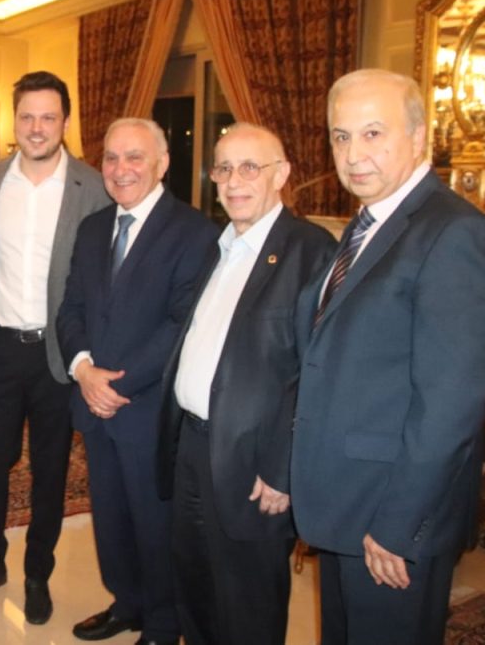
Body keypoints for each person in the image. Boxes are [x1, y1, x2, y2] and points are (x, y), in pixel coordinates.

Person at [290, 69, 485, 645]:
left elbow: (450, 404)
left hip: (390, 517)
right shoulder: (368, 224)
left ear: (418, 137)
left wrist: (397, 524)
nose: (352, 154)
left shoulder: (455, 233)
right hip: (345, 500)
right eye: (341, 136)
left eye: (373, 133)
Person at [158, 124, 336, 645]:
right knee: (195, 589)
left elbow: (316, 370)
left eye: (250, 167)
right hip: (193, 448)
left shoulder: (309, 250)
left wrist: (283, 468)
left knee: (248, 605)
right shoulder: (221, 246)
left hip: (256, 462)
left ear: (281, 175)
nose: (234, 181)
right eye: (224, 168)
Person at [0, 71, 110, 624]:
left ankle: (38, 572)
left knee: (50, 470)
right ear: (14, 120)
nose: (37, 127)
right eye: (27, 116)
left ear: (65, 122)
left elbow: (98, 276)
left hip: (57, 354)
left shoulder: (93, 185)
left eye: (48, 117)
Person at [56, 118, 215, 645]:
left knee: (153, 523)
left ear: (162, 164)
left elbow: (181, 325)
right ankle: (127, 603)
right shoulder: (93, 228)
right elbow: (71, 308)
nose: (120, 169)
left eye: (134, 157)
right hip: (94, 403)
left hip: (148, 411)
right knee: (110, 517)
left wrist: (115, 387)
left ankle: (164, 624)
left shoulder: (194, 232)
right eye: (111, 157)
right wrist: (82, 370)